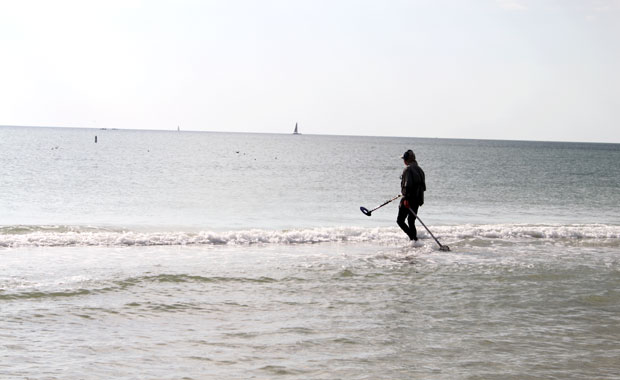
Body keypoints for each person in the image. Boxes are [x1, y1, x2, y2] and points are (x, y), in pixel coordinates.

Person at [397, 149, 426, 241]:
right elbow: (423, 187)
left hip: (409, 199)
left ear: (406, 160)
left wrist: (405, 198)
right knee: (411, 221)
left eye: (404, 159)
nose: (403, 161)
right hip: (417, 200)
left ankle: (413, 238)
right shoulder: (420, 169)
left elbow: (407, 185)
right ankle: (414, 242)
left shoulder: (408, 169)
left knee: (400, 221)